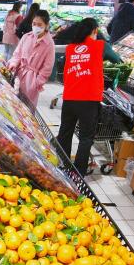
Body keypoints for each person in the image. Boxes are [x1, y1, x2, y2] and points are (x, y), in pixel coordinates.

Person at [55, 18, 122, 176]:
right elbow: (117, 60)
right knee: (86, 137)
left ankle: (62, 166)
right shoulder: (101, 46)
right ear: (95, 31)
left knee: (65, 133)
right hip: (88, 99)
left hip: (70, 97)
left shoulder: (71, 48)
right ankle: (78, 172)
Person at [9, 9, 55, 107]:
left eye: (40, 24)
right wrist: (13, 64)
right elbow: (17, 54)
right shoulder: (26, 37)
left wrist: (37, 83)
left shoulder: (49, 44)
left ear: (46, 25)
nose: (36, 27)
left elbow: (47, 68)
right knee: (13, 104)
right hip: (18, 75)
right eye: (34, 24)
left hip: (32, 81)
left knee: (27, 109)